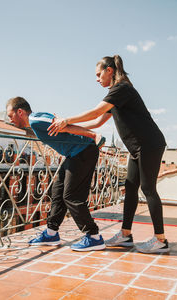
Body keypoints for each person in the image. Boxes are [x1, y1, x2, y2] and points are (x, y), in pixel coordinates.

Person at [48, 55, 170, 254]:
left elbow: (95, 113)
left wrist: (66, 120)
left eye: (99, 74)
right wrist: (67, 128)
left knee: (148, 189)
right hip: (136, 148)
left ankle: (161, 240)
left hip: (149, 145)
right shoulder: (116, 95)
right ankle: (126, 235)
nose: (97, 79)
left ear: (109, 71)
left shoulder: (121, 89)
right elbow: (96, 123)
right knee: (130, 189)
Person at [6, 96, 106, 251]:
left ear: (20, 112)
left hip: (83, 150)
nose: (11, 120)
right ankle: (51, 233)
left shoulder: (35, 121)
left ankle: (94, 236)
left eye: (10, 116)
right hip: (73, 154)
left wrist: (93, 135)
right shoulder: (36, 120)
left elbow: (65, 125)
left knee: (71, 196)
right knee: (57, 191)